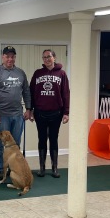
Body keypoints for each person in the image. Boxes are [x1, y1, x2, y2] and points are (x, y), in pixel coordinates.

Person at [0, 46, 32, 180]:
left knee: (15, 144)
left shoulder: (20, 73)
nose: (10, 59)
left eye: (12, 56)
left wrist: (29, 110)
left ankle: (12, 168)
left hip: (18, 115)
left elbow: (26, 91)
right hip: (2, 115)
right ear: (3, 57)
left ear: (15, 57)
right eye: (7, 56)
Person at [29, 49, 70, 178]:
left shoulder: (61, 74)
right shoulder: (37, 73)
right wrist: (30, 110)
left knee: (53, 139)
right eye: (44, 57)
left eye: (49, 56)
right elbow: (31, 92)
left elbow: (66, 94)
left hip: (56, 113)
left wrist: (66, 112)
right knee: (41, 139)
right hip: (40, 112)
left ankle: (54, 168)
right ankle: (41, 168)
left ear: (54, 57)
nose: (46, 59)